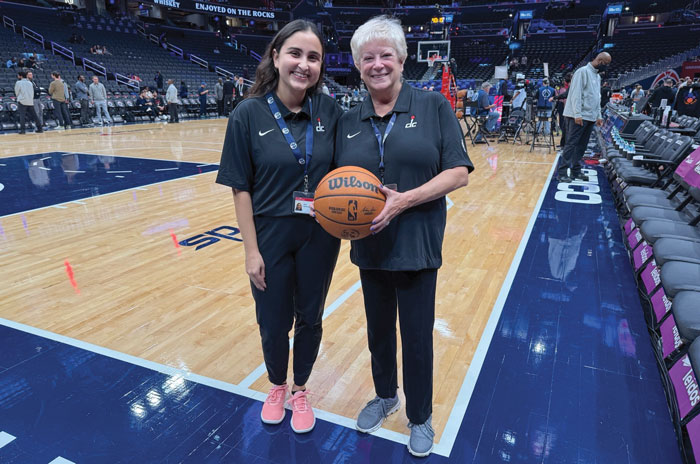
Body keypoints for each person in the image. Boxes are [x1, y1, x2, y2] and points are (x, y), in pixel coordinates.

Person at [333, 16, 473, 457]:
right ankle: (385, 395)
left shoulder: (432, 107)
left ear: (402, 58)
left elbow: (458, 173)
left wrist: (403, 200)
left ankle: (420, 416)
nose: (378, 64)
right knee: (378, 333)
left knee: (416, 336)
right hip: (368, 245)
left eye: (385, 55)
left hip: (417, 245)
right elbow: (333, 182)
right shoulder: (348, 118)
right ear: (357, 65)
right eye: (368, 58)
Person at [215, 19, 342, 435]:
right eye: (295, 54)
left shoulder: (330, 112)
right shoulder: (247, 114)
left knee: (311, 315)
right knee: (272, 319)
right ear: (275, 56)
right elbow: (240, 189)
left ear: (321, 65)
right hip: (269, 233)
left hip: (319, 234)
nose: (303, 64)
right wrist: (250, 251)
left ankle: (300, 389)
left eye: (313, 57)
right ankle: (276, 385)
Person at [558, 51, 611, 182]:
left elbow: (597, 98)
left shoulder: (597, 77)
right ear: (599, 61)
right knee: (571, 144)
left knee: (582, 146)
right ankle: (562, 172)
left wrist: (598, 115)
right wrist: (577, 114)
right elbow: (576, 94)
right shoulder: (582, 72)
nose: (606, 67)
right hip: (577, 116)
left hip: (590, 117)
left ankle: (575, 171)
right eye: (605, 64)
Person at [554, 73, 571, 147]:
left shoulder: (566, 88)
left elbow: (565, 97)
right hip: (561, 105)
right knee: (562, 124)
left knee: (564, 124)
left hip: (565, 106)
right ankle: (563, 143)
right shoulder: (560, 88)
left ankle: (565, 143)